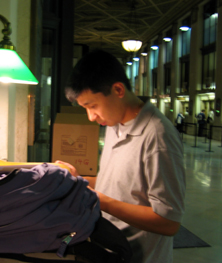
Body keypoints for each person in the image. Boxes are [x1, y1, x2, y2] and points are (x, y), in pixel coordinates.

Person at [56, 50, 185, 263]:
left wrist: (101, 201)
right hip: (108, 246)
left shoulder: (158, 136)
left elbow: (168, 222)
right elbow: (120, 185)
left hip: (139, 255)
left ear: (118, 89)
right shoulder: (114, 123)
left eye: (93, 106)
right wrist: (78, 181)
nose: (91, 117)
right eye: (85, 108)